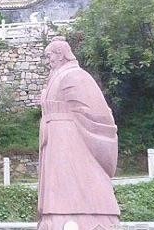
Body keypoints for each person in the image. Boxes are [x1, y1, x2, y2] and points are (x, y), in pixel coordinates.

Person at [38, 36, 120, 230]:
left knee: (78, 173)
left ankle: (90, 215)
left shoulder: (75, 76)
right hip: (55, 139)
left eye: (50, 56)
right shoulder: (56, 77)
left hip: (72, 138)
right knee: (58, 181)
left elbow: (97, 112)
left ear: (60, 54)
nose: (48, 61)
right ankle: (57, 216)